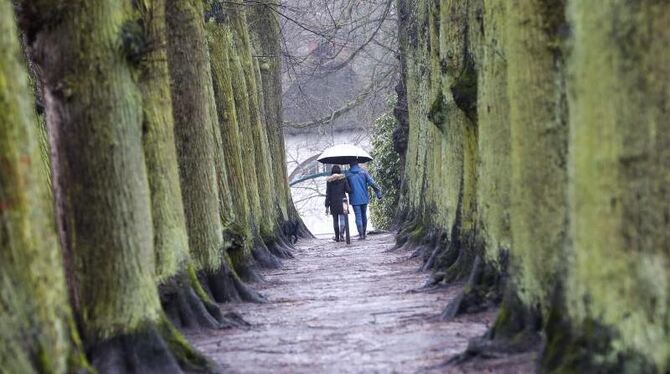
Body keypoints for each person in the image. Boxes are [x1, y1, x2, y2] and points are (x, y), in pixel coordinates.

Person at [346, 162, 381, 240]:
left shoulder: (348, 174)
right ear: (357, 164)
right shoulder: (363, 172)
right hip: (364, 197)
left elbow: (346, 187)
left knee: (358, 216)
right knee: (364, 215)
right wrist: (378, 192)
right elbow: (372, 183)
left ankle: (361, 235)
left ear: (350, 165)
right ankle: (364, 233)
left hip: (354, 198)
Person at [325, 165, 351, 242]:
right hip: (344, 201)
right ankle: (342, 234)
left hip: (333, 202)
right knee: (343, 218)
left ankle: (337, 237)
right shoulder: (343, 179)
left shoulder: (329, 181)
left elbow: (328, 194)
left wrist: (326, 205)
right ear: (339, 171)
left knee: (335, 220)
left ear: (332, 171)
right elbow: (348, 190)